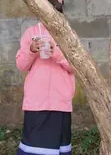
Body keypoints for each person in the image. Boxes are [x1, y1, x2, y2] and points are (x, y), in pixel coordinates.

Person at [16, 20, 74, 155]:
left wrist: (57, 52)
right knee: (33, 149)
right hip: (36, 101)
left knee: (59, 148)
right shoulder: (31, 33)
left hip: (60, 100)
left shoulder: (67, 33)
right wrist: (31, 50)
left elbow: (76, 67)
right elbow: (21, 65)